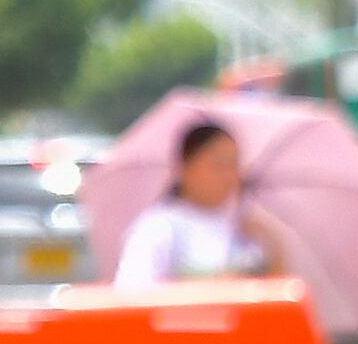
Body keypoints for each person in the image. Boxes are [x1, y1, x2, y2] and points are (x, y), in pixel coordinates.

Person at [117, 115, 298, 289]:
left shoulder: (245, 230)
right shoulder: (159, 227)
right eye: (219, 165)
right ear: (185, 166)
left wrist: (274, 250)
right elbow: (134, 292)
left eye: (234, 165)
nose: (230, 176)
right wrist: (215, 286)